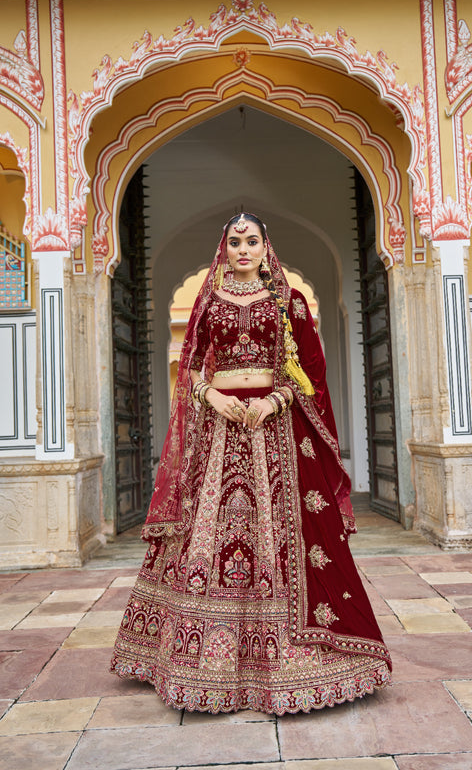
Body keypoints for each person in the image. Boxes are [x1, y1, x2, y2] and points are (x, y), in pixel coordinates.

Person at [110, 212, 392, 714]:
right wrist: (212, 396)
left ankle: (288, 663)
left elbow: (309, 373)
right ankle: (201, 662)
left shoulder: (287, 300)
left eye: (252, 241)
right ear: (225, 248)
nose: (244, 249)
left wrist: (275, 400)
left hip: (273, 430)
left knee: (278, 533)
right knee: (210, 532)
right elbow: (191, 365)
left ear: (266, 247)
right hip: (220, 429)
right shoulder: (209, 300)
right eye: (236, 241)